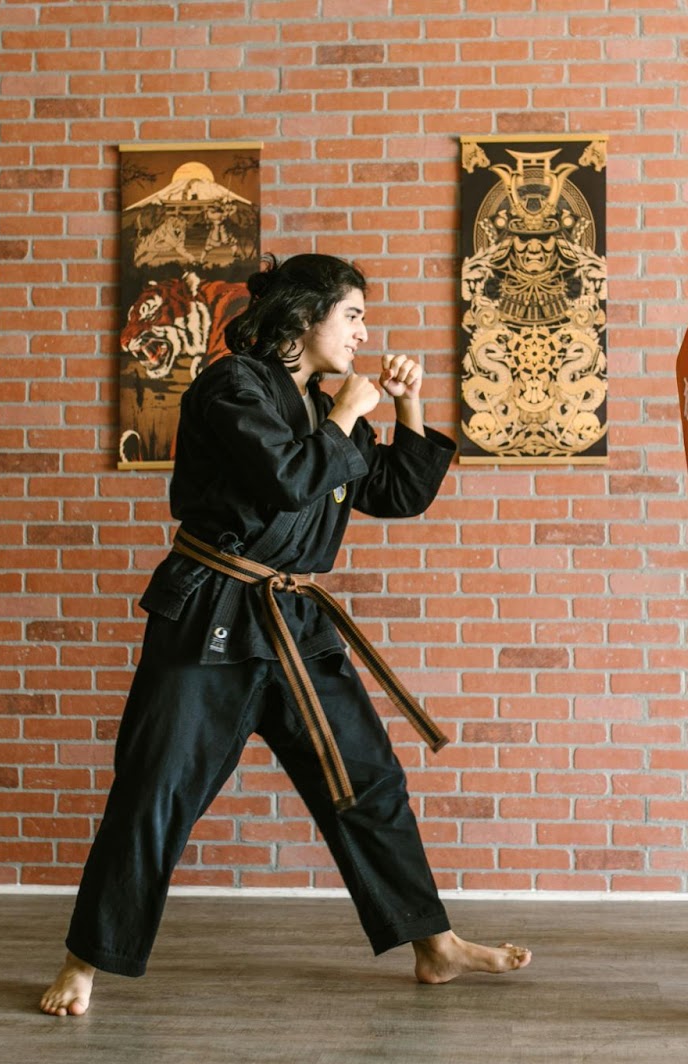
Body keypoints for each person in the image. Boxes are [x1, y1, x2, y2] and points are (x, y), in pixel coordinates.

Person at [40, 252, 531, 1017]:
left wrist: (406, 408)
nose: (364, 333)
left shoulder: (321, 399)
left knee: (367, 780)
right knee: (155, 793)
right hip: (211, 615)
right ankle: (86, 961)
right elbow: (287, 480)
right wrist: (346, 413)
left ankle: (432, 946)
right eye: (354, 315)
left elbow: (397, 495)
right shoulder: (231, 387)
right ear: (305, 319)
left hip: (296, 623)